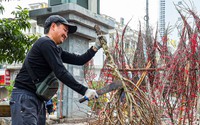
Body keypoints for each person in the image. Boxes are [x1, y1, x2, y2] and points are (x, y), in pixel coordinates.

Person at [9, 15, 104, 125]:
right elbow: (61, 72)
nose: (66, 35)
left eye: (67, 32)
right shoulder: (45, 43)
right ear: (53, 26)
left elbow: (79, 60)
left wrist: (95, 47)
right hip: (25, 96)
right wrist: (84, 90)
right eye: (64, 30)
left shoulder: (55, 49)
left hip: (38, 99)